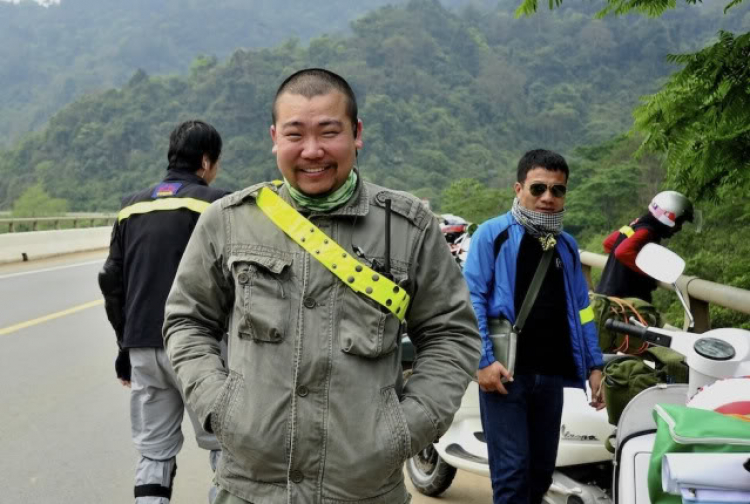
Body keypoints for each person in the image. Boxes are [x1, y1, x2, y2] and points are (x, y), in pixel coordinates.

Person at [162, 68, 481, 504]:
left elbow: (451, 333)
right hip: (250, 488)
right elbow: (187, 320)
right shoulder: (229, 221)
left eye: (329, 132)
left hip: (364, 490)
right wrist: (221, 407)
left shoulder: (408, 227)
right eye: (295, 134)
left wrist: (405, 427)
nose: (312, 151)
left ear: (357, 133)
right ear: (275, 137)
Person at [98, 120, 230, 504]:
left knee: (154, 454)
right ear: (206, 162)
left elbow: (111, 281)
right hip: (201, 349)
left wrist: (125, 347)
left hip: (142, 347)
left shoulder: (130, 208)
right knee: (226, 450)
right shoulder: (218, 205)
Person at [463, 149, 605, 504]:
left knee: (541, 472)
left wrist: (595, 364)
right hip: (506, 373)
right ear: (518, 188)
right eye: (538, 187)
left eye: (557, 190)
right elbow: (470, 299)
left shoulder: (567, 247)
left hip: (551, 376)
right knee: (512, 473)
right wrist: (482, 361)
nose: (547, 197)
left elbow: (582, 310)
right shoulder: (492, 236)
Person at [596, 190, 694, 303]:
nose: (679, 228)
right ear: (669, 217)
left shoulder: (635, 225)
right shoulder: (646, 232)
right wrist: (651, 271)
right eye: (679, 222)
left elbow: (609, 244)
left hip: (607, 295)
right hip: (625, 302)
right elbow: (622, 252)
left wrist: (629, 264)